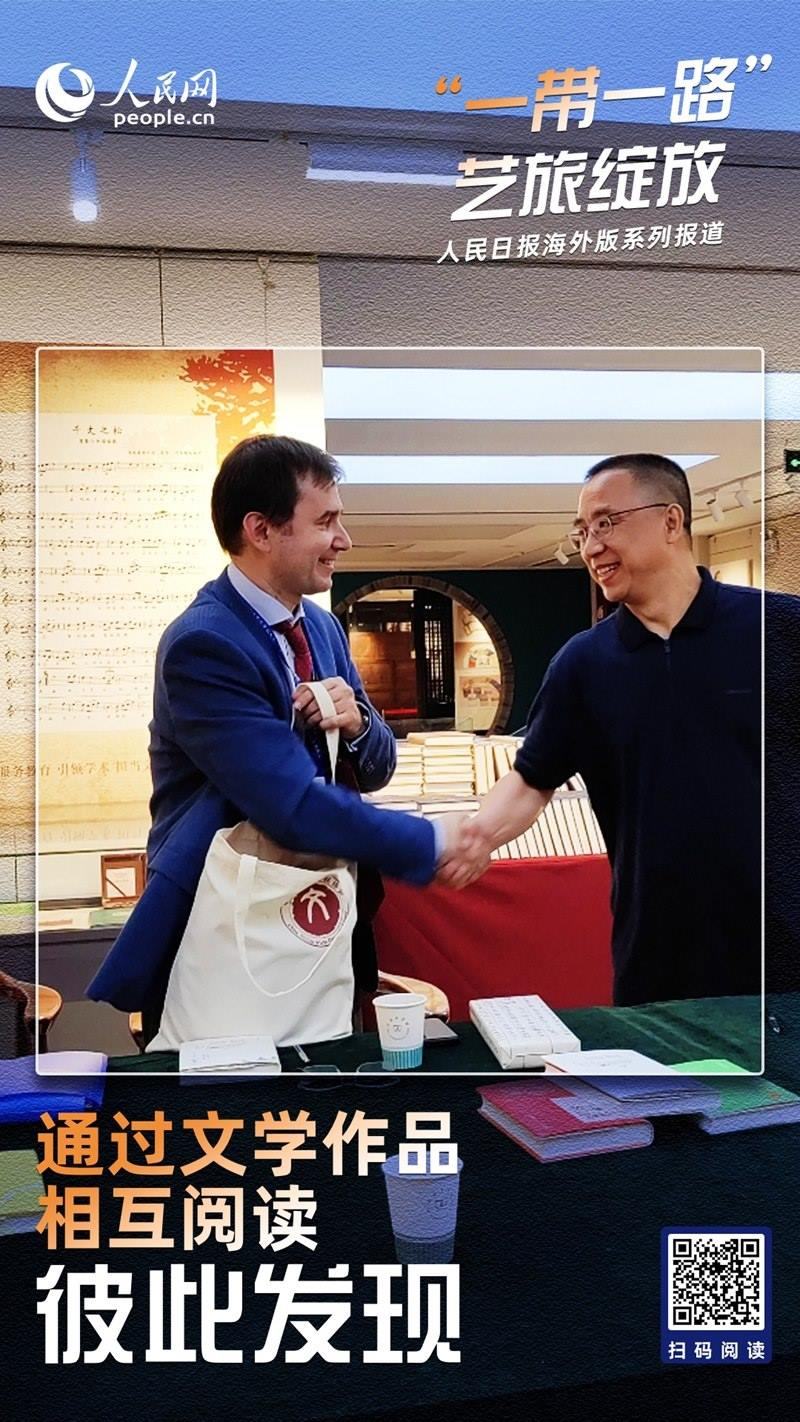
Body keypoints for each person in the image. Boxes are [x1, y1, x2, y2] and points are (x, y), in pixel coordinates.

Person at [88, 435, 479, 1037]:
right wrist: (428, 842)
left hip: (326, 911)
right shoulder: (204, 644)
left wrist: (358, 723)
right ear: (261, 530)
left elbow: (377, 766)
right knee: (237, 1088)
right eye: (325, 522)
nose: (343, 540)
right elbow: (289, 804)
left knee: (325, 1073)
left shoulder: (321, 629)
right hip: (227, 922)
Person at [441, 453, 761, 1007]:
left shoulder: (774, 630)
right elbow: (533, 777)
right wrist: (476, 838)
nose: (591, 547)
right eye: (583, 531)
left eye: (606, 523)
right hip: (657, 951)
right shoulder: (583, 664)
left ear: (671, 521)